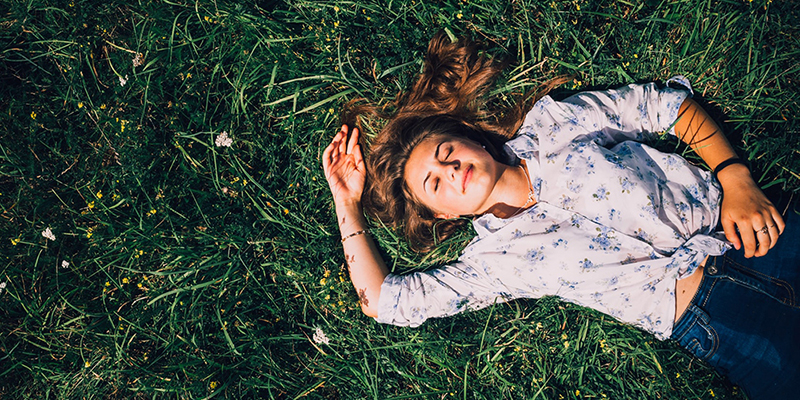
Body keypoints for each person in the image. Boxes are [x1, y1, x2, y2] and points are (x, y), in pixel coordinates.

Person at [321, 33, 799, 399]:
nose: (451, 170)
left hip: (750, 230)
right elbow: (384, 302)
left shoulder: (552, 126)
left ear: (468, 139)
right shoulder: (492, 264)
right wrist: (346, 204)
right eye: (435, 184)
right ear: (441, 213)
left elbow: (663, 106)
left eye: (446, 152)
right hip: (720, 320)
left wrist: (736, 179)